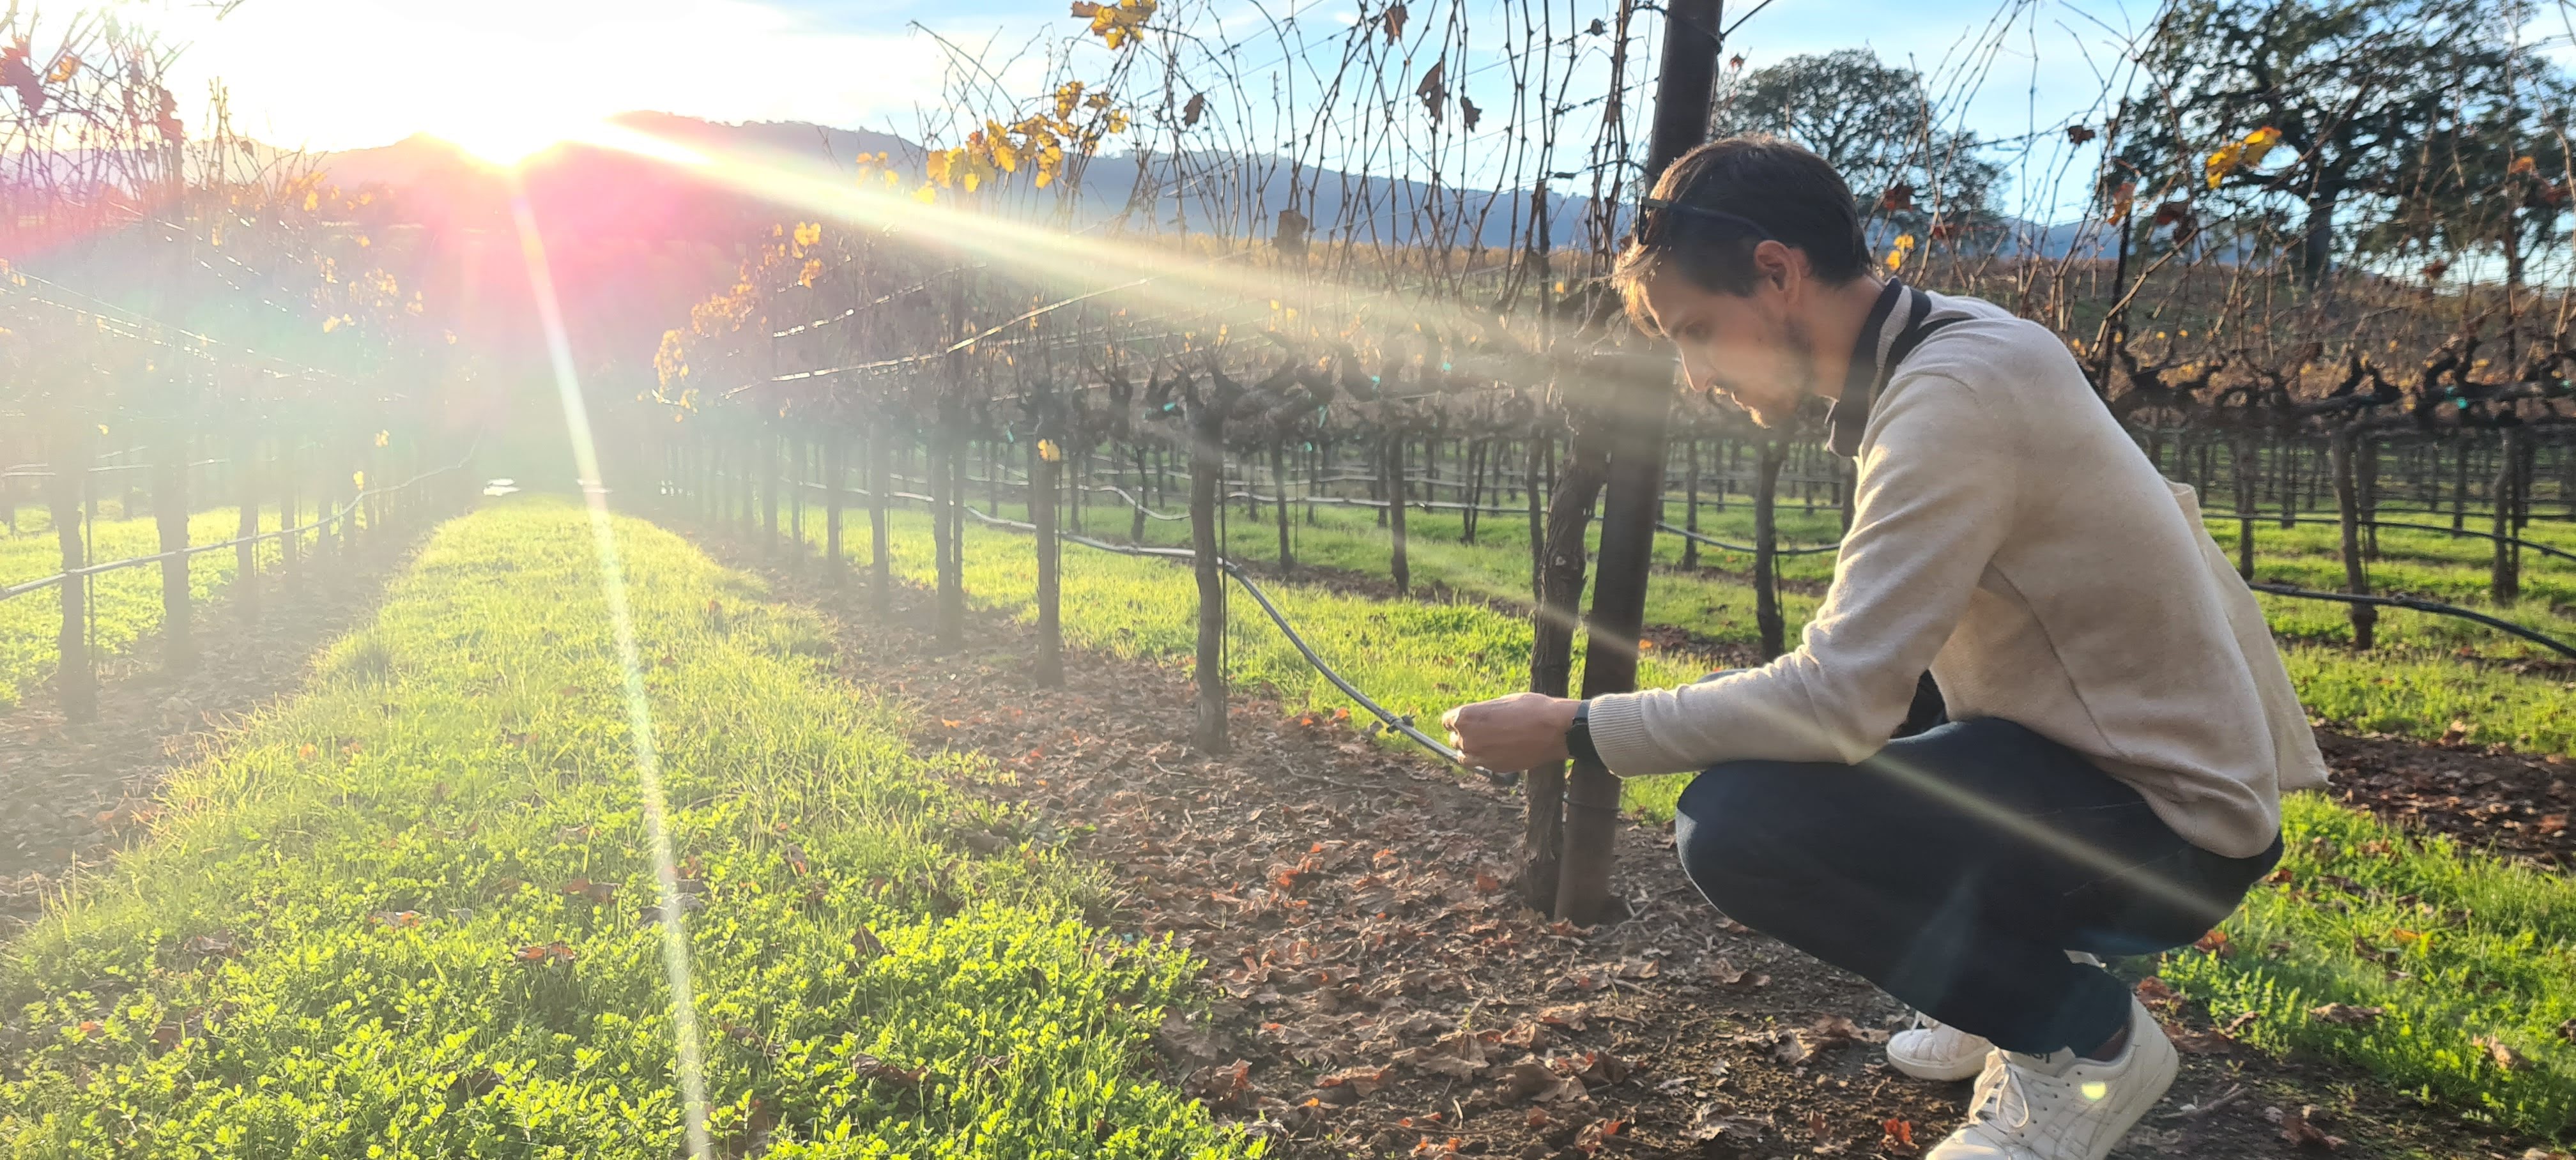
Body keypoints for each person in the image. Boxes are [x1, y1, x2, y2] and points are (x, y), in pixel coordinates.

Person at [1439, 135, 2326, 1160]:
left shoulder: (1950, 398)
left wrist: (1581, 729)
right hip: (2122, 774)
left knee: (1739, 824)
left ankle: (2083, 1043)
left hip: (2165, 834)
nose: (1692, 374)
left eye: (1697, 331)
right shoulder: (1958, 344)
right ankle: (2001, 994)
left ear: (1777, 272)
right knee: (1828, 761)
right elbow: (1894, 671)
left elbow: (1837, 698)